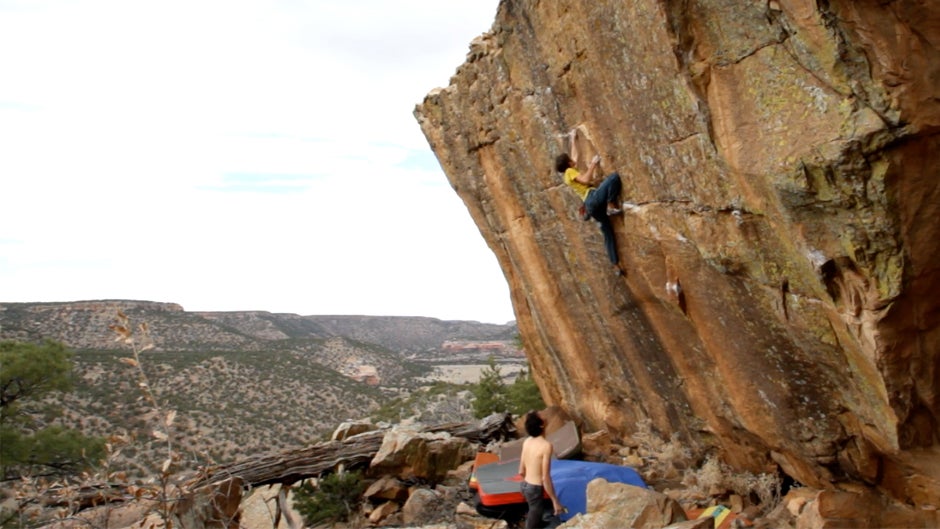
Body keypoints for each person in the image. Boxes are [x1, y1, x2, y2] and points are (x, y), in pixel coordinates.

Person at [555, 128, 625, 275]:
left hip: (592, 207)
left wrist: (573, 139)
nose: (573, 160)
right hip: (592, 198)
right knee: (614, 178)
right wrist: (593, 163)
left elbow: (575, 156)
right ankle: (611, 204)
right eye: (570, 160)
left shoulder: (567, 172)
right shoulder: (570, 172)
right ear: (568, 163)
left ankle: (615, 265)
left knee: (608, 233)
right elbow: (586, 179)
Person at [519, 411, 564, 529]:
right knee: (532, 523)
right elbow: (545, 477)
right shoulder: (546, 446)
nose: (543, 413)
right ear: (541, 425)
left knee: (535, 514)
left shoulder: (527, 441)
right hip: (534, 488)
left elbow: (521, 471)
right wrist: (555, 501)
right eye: (540, 415)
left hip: (525, 485)